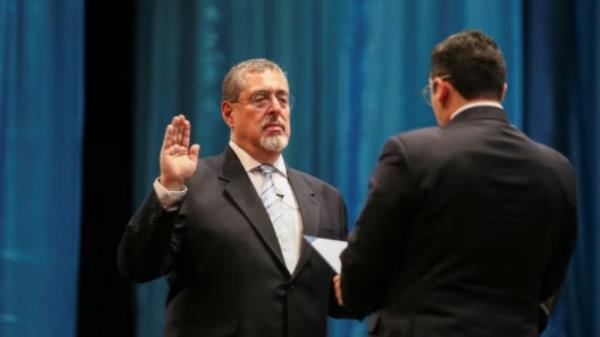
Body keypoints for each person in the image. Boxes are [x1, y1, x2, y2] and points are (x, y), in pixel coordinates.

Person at [334, 30, 577, 337]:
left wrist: (352, 290)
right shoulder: (557, 169)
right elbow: (550, 282)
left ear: (441, 89)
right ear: (502, 91)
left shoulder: (412, 154)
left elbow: (365, 263)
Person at [118, 58, 349, 337]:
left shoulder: (326, 198)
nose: (276, 109)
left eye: (283, 99)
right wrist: (168, 188)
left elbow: (337, 299)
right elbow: (137, 266)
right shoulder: (191, 184)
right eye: (260, 99)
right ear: (229, 113)